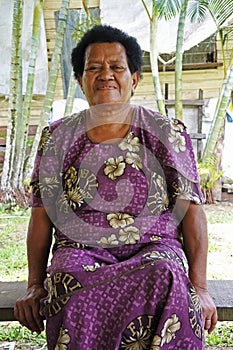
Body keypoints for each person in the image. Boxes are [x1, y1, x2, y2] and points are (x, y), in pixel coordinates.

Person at [14, 25, 217, 349]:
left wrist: (201, 287)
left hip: (153, 251)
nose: (105, 74)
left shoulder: (167, 131)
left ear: (133, 79)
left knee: (167, 276)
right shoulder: (57, 137)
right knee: (69, 279)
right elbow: (42, 216)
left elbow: (191, 210)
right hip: (80, 252)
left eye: (116, 67)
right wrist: (35, 284)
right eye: (94, 67)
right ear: (81, 81)